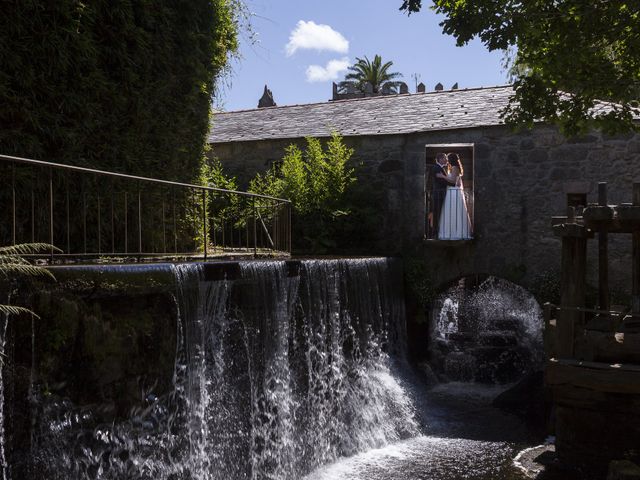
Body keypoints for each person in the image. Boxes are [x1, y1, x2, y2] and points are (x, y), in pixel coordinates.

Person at [437, 152, 472, 240]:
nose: (447, 160)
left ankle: (456, 232)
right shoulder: (453, 168)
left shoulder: (455, 168)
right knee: (451, 211)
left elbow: (453, 181)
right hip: (451, 191)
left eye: (448, 159)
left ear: (451, 160)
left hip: (453, 192)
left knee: (454, 211)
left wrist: (442, 176)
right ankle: (451, 231)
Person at [430, 152, 452, 238]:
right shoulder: (436, 168)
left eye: (446, 158)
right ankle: (435, 232)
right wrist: (454, 184)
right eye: (445, 158)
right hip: (438, 194)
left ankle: (438, 231)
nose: (446, 160)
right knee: (437, 213)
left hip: (442, 193)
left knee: (440, 212)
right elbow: (442, 181)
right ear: (440, 159)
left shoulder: (441, 168)